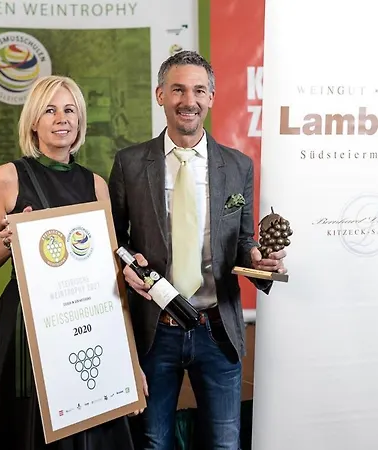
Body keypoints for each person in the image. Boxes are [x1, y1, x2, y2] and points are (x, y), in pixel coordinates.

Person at [108, 51, 287, 450]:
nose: (188, 100)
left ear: (211, 98)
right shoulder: (129, 164)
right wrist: (127, 265)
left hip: (217, 329)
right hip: (155, 330)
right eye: (178, 90)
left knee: (224, 442)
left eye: (199, 90)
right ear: (160, 95)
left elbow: (243, 241)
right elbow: (114, 238)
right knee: (153, 442)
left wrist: (258, 260)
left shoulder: (238, 166)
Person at [0, 75, 144, 450]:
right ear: (34, 121)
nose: (61, 118)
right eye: (50, 110)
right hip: (27, 329)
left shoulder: (95, 185)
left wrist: (130, 360)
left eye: (69, 110)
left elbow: (111, 270)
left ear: (80, 120)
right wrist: (9, 242)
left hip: (86, 321)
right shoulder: (8, 178)